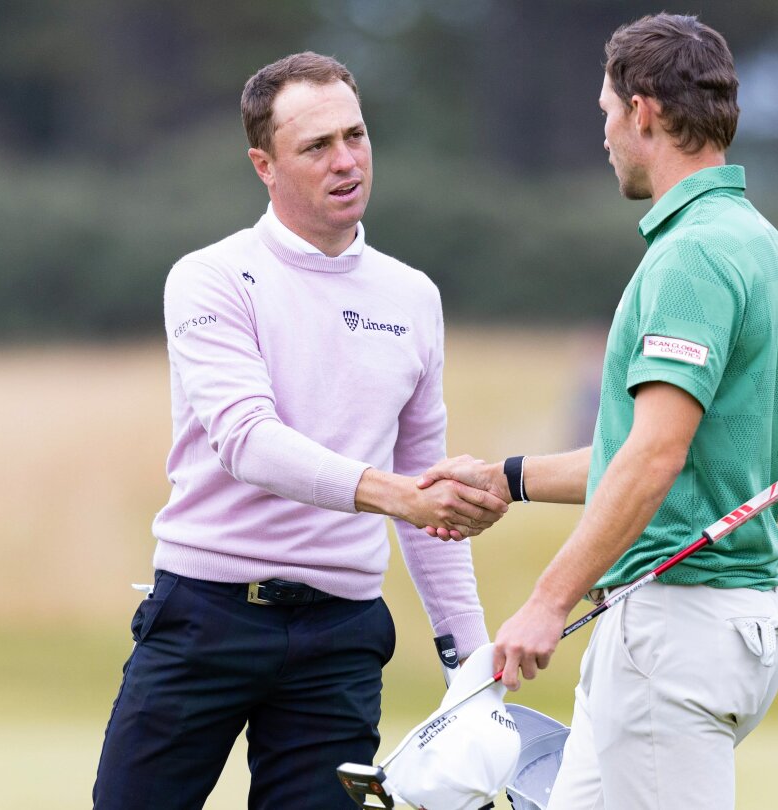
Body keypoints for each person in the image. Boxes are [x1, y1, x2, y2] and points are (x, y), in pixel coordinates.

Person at [91, 52, 508, 809]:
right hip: (205, 616)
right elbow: (248, 440)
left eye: (356, 135)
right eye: (317, 146)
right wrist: (395, 495)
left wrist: (469, 660)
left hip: (340, 636)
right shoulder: (211, 277)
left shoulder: (411, 296)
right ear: (264, 164)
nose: (346, 160)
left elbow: (427, 487)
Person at [419, 15, 778, 809]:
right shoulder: (756, 240)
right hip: (714, 622)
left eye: (605, 113)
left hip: (675, 629)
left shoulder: (692, 255)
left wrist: (547, 599)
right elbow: (652, 457)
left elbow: (655, 457)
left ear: (643, 113)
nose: (603, 136)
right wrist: (507, 479)